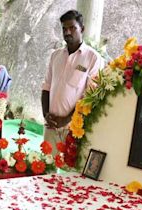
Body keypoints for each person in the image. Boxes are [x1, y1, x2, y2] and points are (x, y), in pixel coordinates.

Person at [41, 10, 104, 155]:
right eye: (64, 29)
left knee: (70, 172)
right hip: (51, 126)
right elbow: (46, 87)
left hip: (74, 128)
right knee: (45, 169)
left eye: (72, 28)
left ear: (82, 29)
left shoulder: (93, 58)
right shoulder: (55, 56)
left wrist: (67, 119)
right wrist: (46, 114)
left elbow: (90, 97)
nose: (67, 32)